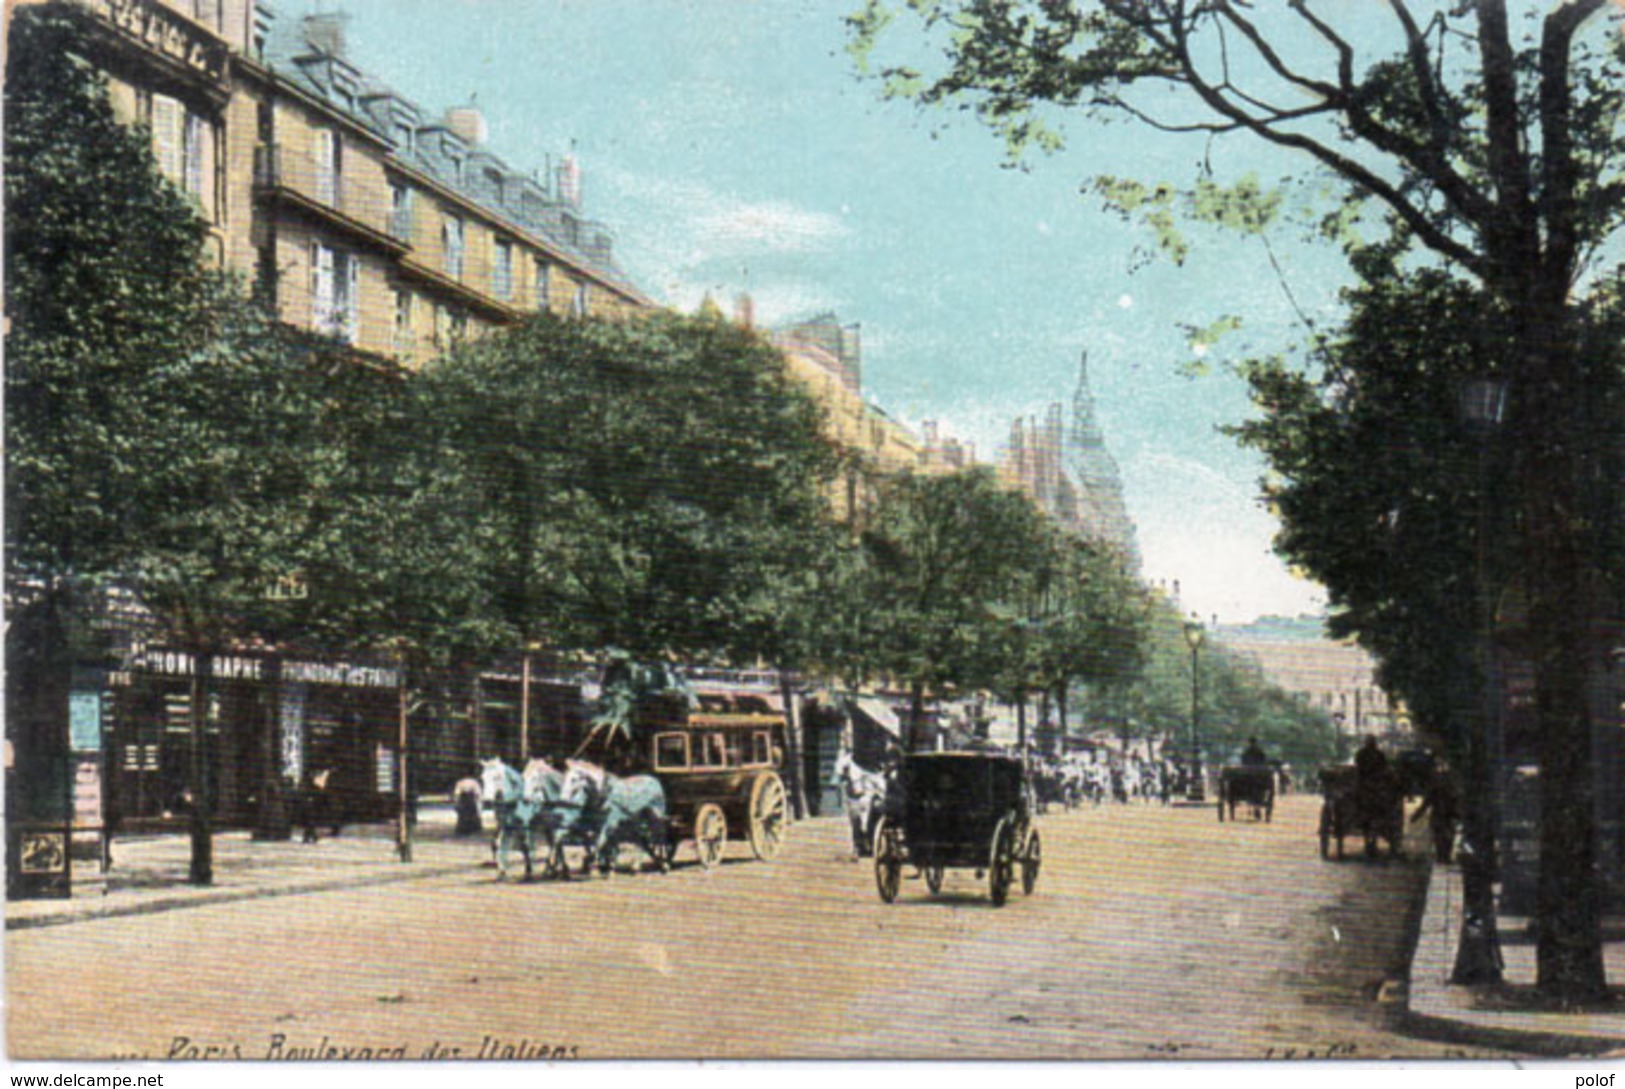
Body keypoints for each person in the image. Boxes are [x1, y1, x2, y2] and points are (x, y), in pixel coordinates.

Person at [1411, 761, 1462, 863]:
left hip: (1441, 815)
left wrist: (1416, 816)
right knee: (1447, 836)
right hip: (1447, 815)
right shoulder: (1451, 788)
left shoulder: (1436, 788)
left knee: (1441, 836)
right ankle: (1444, 856)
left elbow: (1426, 803)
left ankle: (1442, 856)